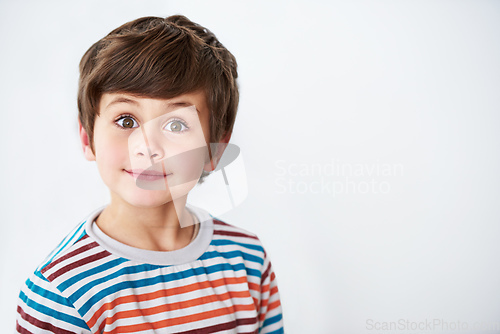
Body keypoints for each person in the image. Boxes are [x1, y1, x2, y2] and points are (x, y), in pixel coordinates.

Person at [15, 15, 284, 333]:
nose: (147, 146)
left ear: (214, 150)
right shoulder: (61, 291)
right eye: (126, 121)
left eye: (176, 124)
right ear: (88, 138)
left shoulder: (248, 260)